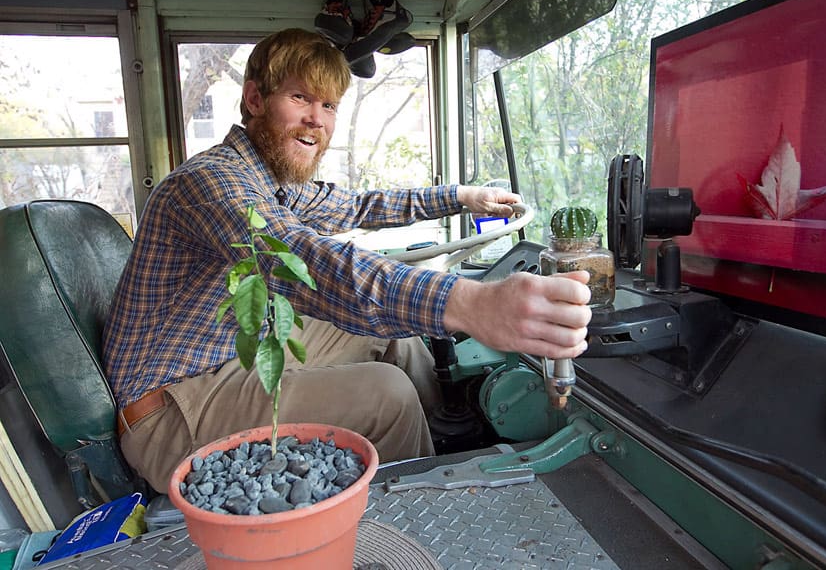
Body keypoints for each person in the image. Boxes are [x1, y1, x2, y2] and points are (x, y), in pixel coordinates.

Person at [102, 27, 591, 494]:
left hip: (233, 355)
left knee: (385, 330)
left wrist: (462, 197)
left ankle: (441, 440)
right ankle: (411, 514)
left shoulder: (276, 185)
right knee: (386, 394)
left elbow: (359, 207)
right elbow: (304, 261)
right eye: (300, 98)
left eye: (329, 104)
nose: (318, 118)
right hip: (170, 409)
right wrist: (469, 303)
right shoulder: (209, 183)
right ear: (254, 100)